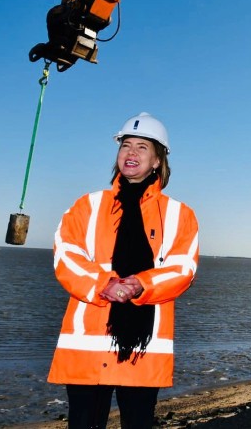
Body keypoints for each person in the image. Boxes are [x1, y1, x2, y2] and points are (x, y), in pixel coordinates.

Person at [48, 112, 200, 429]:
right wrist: (105, 284)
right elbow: (66, 253)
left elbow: (183, 267)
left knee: (138, 423)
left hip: (143, 350)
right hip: (87, 348)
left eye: (142, 147)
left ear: (158, 160)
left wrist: (139, 285)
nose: (131, 153)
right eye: (126, 146)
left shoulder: (180, 215)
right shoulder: (87, 205)